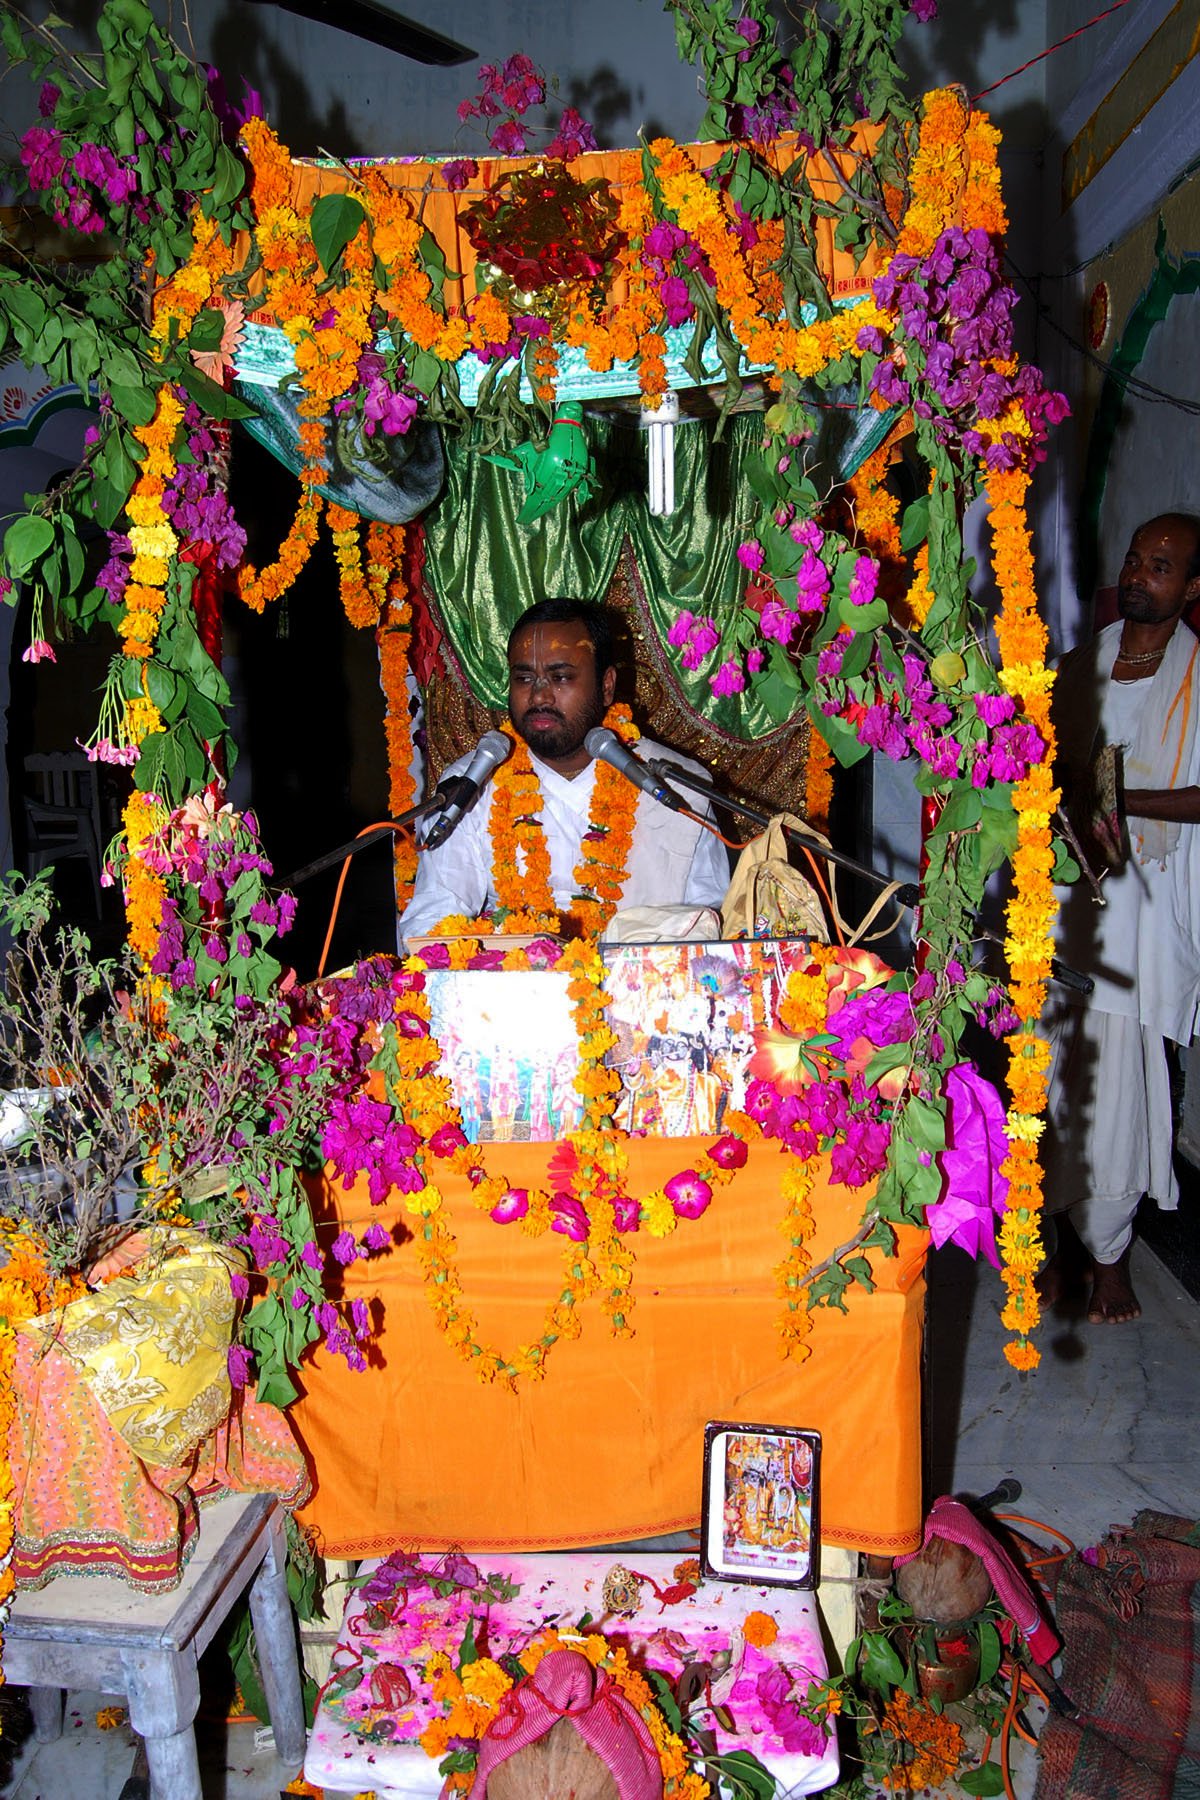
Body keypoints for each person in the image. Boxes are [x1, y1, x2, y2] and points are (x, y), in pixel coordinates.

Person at [1044, 512, 1200, 1323]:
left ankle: (1111, 1257)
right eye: (1137, 560)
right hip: (1068, 897)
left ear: (1192, 588)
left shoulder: (1199, 679)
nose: (1142, 574)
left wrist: (1114, 796)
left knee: (1130, 1088)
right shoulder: (1079, 665)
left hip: (1146, 905)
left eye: (1164, 566)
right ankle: (1070, 1242)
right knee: (1063, 1076)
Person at [398, 597, 731, 940]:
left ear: (606, 686)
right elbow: (433, 919)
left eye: (560, 677)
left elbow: (709, 922)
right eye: (524, 678)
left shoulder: (678, 789)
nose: (540, 696)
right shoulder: (469, 786)